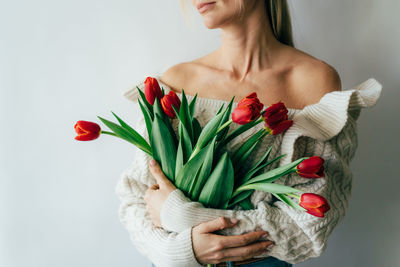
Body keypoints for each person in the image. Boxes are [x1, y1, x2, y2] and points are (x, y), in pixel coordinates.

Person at [116, 1, 382, 266]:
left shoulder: (313, 82)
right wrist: (175, 252)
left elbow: (308, 227)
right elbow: (136, 200)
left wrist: (184, 218)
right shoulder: (176, 83)